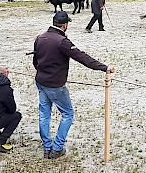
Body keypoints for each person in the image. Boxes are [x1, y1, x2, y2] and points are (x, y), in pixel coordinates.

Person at [33, 11, 116, 159]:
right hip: (55, 84)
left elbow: (35, 61)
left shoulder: (40, 38)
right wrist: (104, 67)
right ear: (65, 25)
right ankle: (57, 148)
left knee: (44, 115)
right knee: (68, 113)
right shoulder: (62, 41)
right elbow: (82, 57)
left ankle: (47, 147)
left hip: (41, 81)